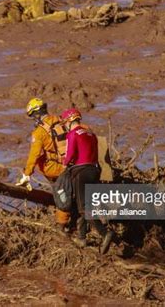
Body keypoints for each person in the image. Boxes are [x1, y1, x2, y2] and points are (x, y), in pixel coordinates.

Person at [61, 108, 114, 254]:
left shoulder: (72, 134)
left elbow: (70, 154)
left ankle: (105, 233)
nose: (65, 125)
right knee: (85, 205)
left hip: (81, 172)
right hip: (94, 171)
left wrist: (64, 163)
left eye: (65, 122)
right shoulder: (91, 134)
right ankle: (82, 238)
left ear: (70, 121)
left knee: (84, 208)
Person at [15, 98, 71, 232]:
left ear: (36, 114)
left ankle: (62, 226)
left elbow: (33, 155)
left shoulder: (39, 132)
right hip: (72, 164)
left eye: (32, 116)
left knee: (61, 196)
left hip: (56, 170)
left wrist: (27, 174)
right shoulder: (61, 121)